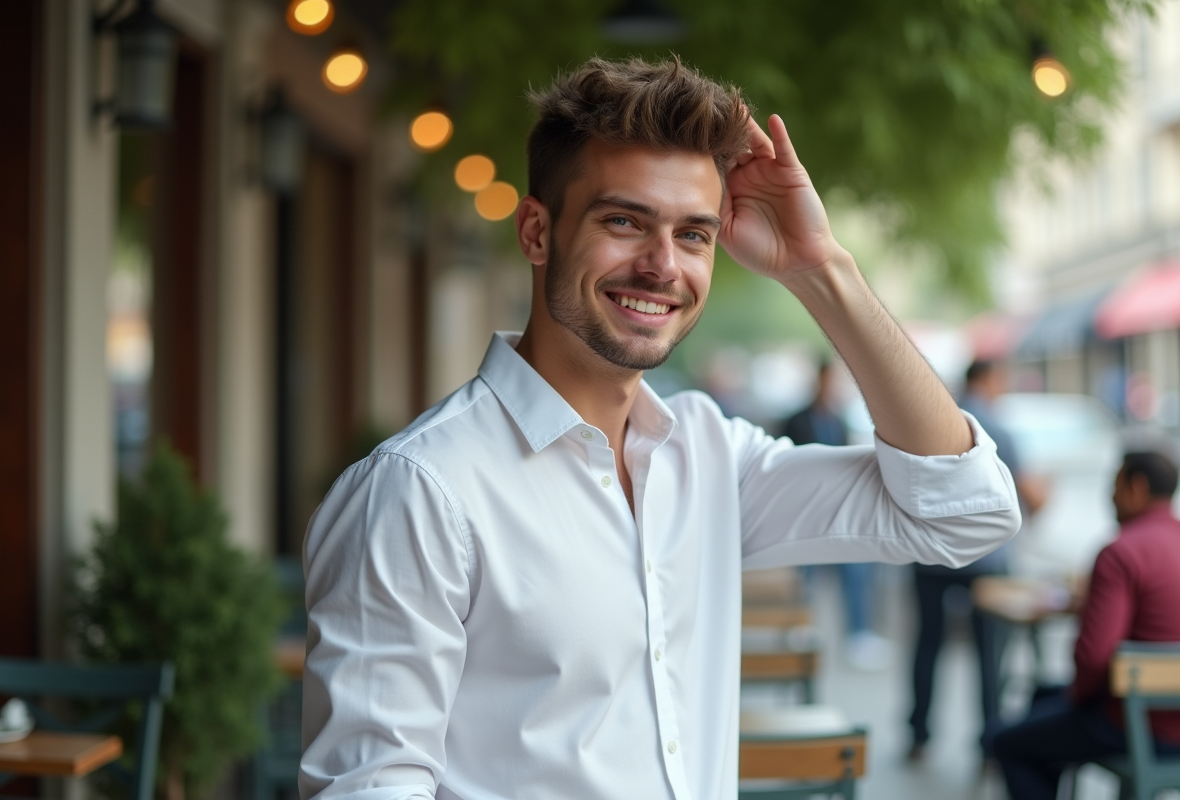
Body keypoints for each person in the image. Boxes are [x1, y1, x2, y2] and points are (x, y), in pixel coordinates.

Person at [300, 57, 1021, 800]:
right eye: (624, 221)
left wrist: (819, 267)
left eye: (694, 235)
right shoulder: (420, 491)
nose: (661, 266)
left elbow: (965, 513)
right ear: (536, 231)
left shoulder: (708, 456)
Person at [992, 451, 1180, 800]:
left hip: (1141, 726)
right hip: (1167, 712)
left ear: (1135, 488)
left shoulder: (1122, 552)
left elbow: (1093, 659)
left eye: (1115, 485)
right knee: (1044, 696)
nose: (1109, 496)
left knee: (1006, 742)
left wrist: (1077, 698)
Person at [907, 359, 1046, 760]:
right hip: (985, 559)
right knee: (989, 652)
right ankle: (988, 740)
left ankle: (919, 733)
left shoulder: (930, 423)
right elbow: (1030, 496)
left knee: (927, 644)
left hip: (929, 553)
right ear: (988, 379)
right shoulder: (997, 429)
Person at [781, 359, 891, 671]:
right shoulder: (797, 420)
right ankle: (800, 628)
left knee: (855, 572)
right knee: (805, 577)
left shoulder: (838, 421)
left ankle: (858, 635)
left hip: (837, 512)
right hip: (804, 511)